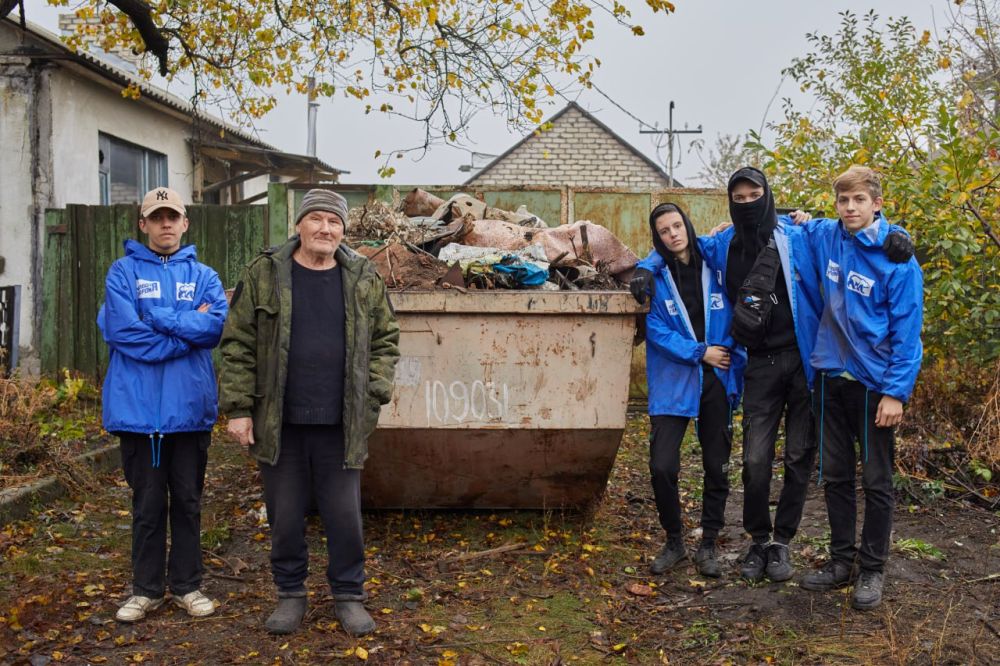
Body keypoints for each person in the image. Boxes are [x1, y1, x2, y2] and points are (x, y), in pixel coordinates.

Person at [631, 167, 914, 584]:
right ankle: (758, 540)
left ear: (767, 193)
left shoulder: (799, 235)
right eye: (739, 197)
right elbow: (678, 244)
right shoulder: (723, 244)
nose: (747, 203)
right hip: (759, 365)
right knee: (755, 460)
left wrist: (899, 234)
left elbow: (853, 231)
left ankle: (782, 542)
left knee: (800, 457)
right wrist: (644, 265)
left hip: (805, 362)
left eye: (754, 194)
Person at [219, 189, 400, 636]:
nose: (325, 229)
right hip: (280, 421)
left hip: (341, 422)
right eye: (316, 219)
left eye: (334, 222)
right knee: (284, 515)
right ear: (298, 225)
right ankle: (290, 594)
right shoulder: (264, 273)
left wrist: (374, 392)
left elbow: (385, 340)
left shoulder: (362, 275)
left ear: (343, 229)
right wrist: (239, 409)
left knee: (344, 516)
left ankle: (348, 595)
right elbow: (237, 345)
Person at [98, 187, 228, 623]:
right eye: (157, 217)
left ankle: (188, 587)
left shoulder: (206, 277)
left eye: (173, 216)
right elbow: (123, 333)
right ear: (144, 224)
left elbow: (212, 330)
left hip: (189, 412)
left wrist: (156, 318)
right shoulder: (122, 273)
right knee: (147, 505)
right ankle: (146, 590)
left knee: (188, 503)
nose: (165, 224)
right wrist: (181, 334)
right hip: (138, 416)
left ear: (185, 223)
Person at [799, 166, 923, 609]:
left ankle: (872, 569)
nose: (849, 209)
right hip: (831, 378)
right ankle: (840, 562)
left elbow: (908, 333)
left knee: (875, 480)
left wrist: (896, 392)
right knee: (834, 476)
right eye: (842, 201)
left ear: (876, 204)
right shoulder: (828, 236)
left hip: (875, 385)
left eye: (858, 201)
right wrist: (724, 226)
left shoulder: (897, 258)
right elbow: (786, 223)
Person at [637, 203, 746, 578]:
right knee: (661, 465)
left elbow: (755, 223)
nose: (673, 234)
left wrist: (796, 217)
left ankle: (709, 544)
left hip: (718, 376)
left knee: (717, 464)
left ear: (687, 225)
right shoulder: (653, 275)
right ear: (658, 238)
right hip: (675, 378)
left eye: (677, 225)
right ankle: (675, 541)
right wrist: (700, 352)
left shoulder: (714, 259)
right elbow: (655, 330)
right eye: (664, 230)